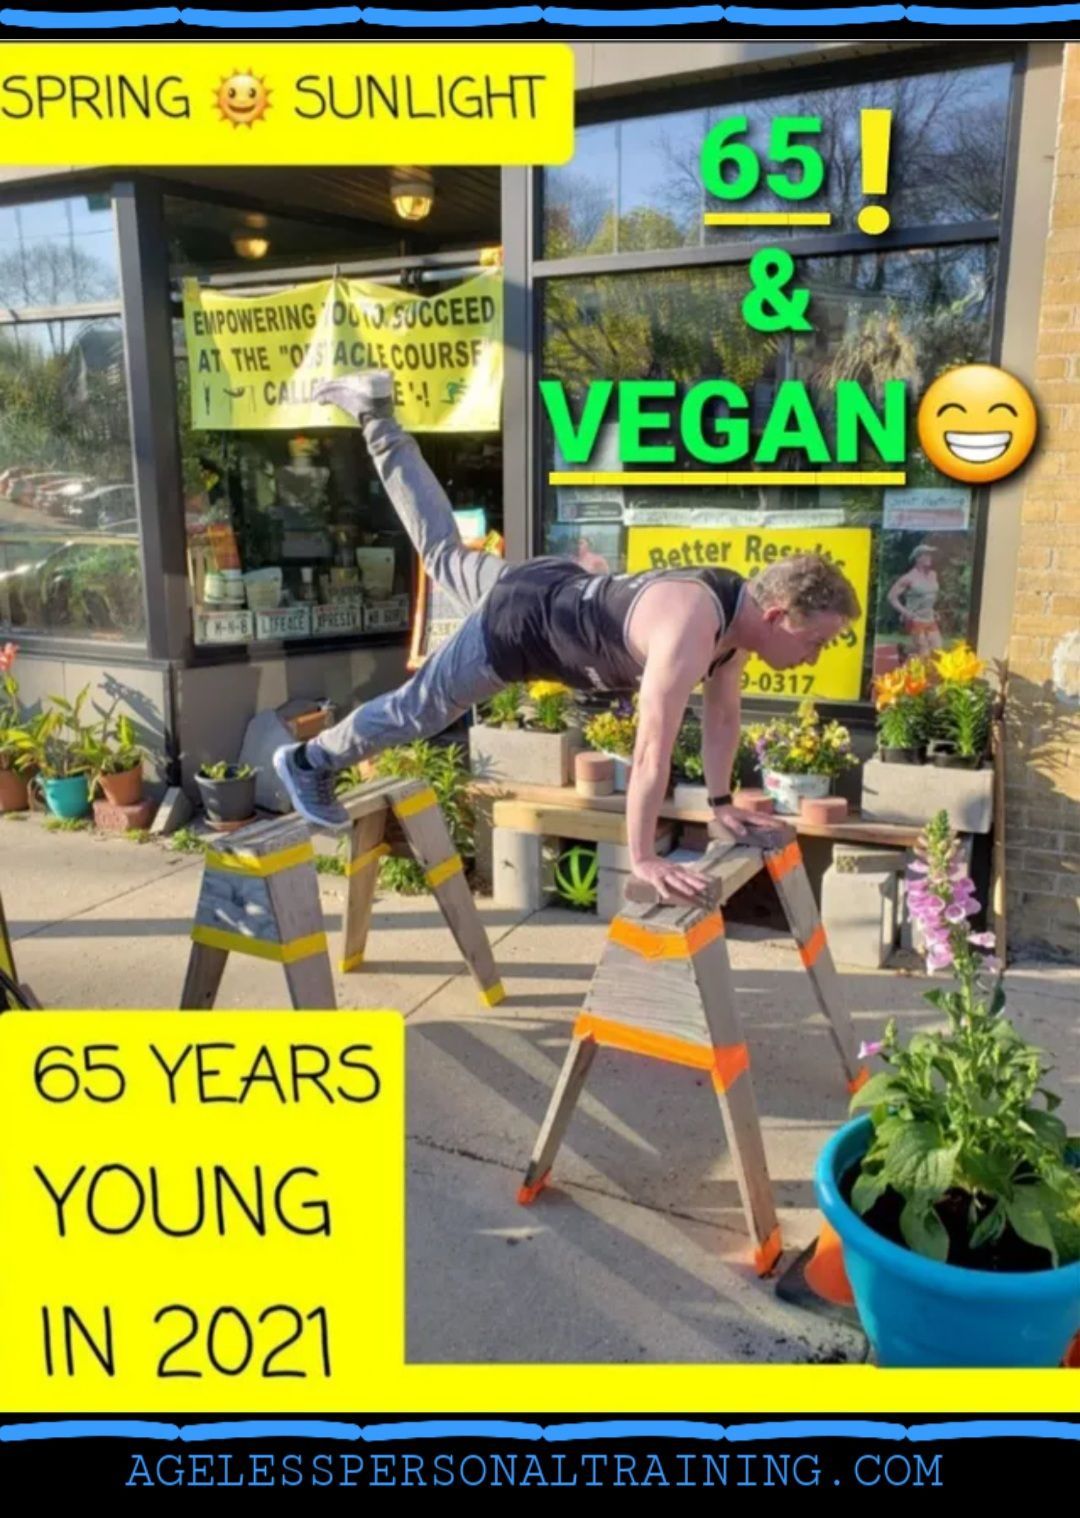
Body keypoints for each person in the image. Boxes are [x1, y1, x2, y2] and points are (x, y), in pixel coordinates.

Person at [273, 371, 862, 904]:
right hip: (518, 629)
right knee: (420, 710)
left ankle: (376, 416)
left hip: (548, 583)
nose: (814, 656)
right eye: (819, 642)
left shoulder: (734, 618)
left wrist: (720, 804)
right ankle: (308, 759)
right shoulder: (694, 628)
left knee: (444, 553)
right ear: (782, 616)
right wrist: (647, 856)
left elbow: (724, 720)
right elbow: (652, 748)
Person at [887, 544, 942, 658]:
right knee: (924, 652)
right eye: (926, 555)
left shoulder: (933, 575)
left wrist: (933, 610)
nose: (930, 557)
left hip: (930, 617)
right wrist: (905, 612)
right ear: (918, 558)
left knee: (937, 649)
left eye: (930, 555)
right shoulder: (909, 578)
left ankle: (907, 652)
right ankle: (911, 657)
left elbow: (930, 595)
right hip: (915, 619)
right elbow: (891, 597)